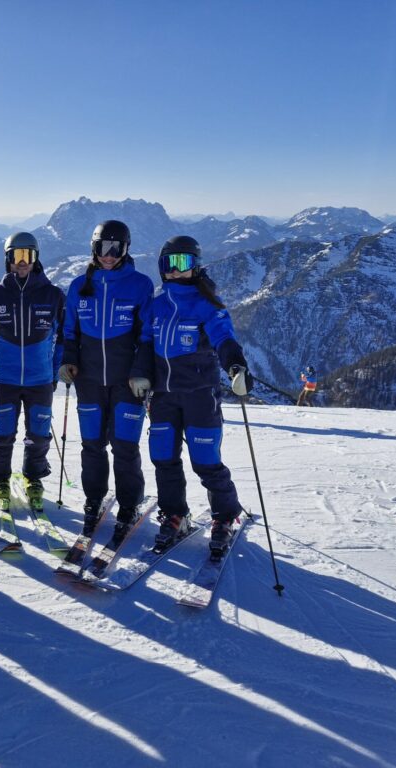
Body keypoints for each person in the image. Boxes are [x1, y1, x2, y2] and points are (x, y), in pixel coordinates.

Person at [130, 235, 253, 558]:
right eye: (170, 262)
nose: (176, 270)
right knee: (164, 458)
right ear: (162, 267)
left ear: (195, 266)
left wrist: (236, 366)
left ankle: (224, 516)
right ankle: (175, 513)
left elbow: (224, 338)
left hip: (200, 396)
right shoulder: (156, 305)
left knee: (206, 462)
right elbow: (144, 343)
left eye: (184, 263)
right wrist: (140, 372)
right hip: (163, 397)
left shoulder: (206, 304)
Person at [59, 220, 154, 541]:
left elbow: (147, 336)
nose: (109, 255)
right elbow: (69, 331)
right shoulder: (78, 286)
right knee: (92, 445)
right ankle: (94, 498)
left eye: (116, 249)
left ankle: (129, 505)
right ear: (93, 249)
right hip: (88, 381)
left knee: (125, 447)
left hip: (127, 383)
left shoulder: (140, 285)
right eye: (103, 248)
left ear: (126, 249)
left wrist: (141, 371)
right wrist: (68, 360)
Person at [0, 232, 64, 511]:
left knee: (38, 435)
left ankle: (34, 479)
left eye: (28, 256)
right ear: (8, 260)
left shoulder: (52, 295)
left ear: (36, 258)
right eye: (16, 256)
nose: (22, 262)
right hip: (6, 379)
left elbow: (65, 336)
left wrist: (54, 370)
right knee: (3, 434)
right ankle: (0, 480)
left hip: (40, 380)